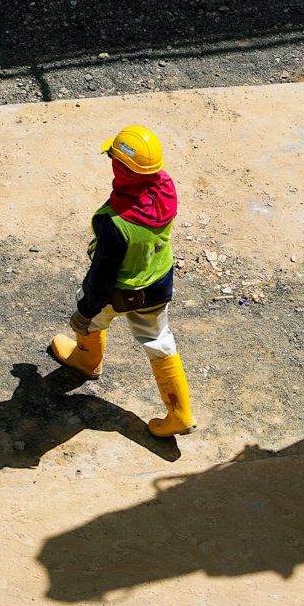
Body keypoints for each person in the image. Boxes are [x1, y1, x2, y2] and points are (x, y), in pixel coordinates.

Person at [49, 125, 196, 437]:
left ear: (122, 168)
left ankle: (88, 359)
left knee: (90, 315)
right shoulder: (164, 189)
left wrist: (84, 311)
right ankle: (179, 413)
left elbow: (101, 279)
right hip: (158, 281)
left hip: (121, 292)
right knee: (158, 340)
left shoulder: (116, 224)